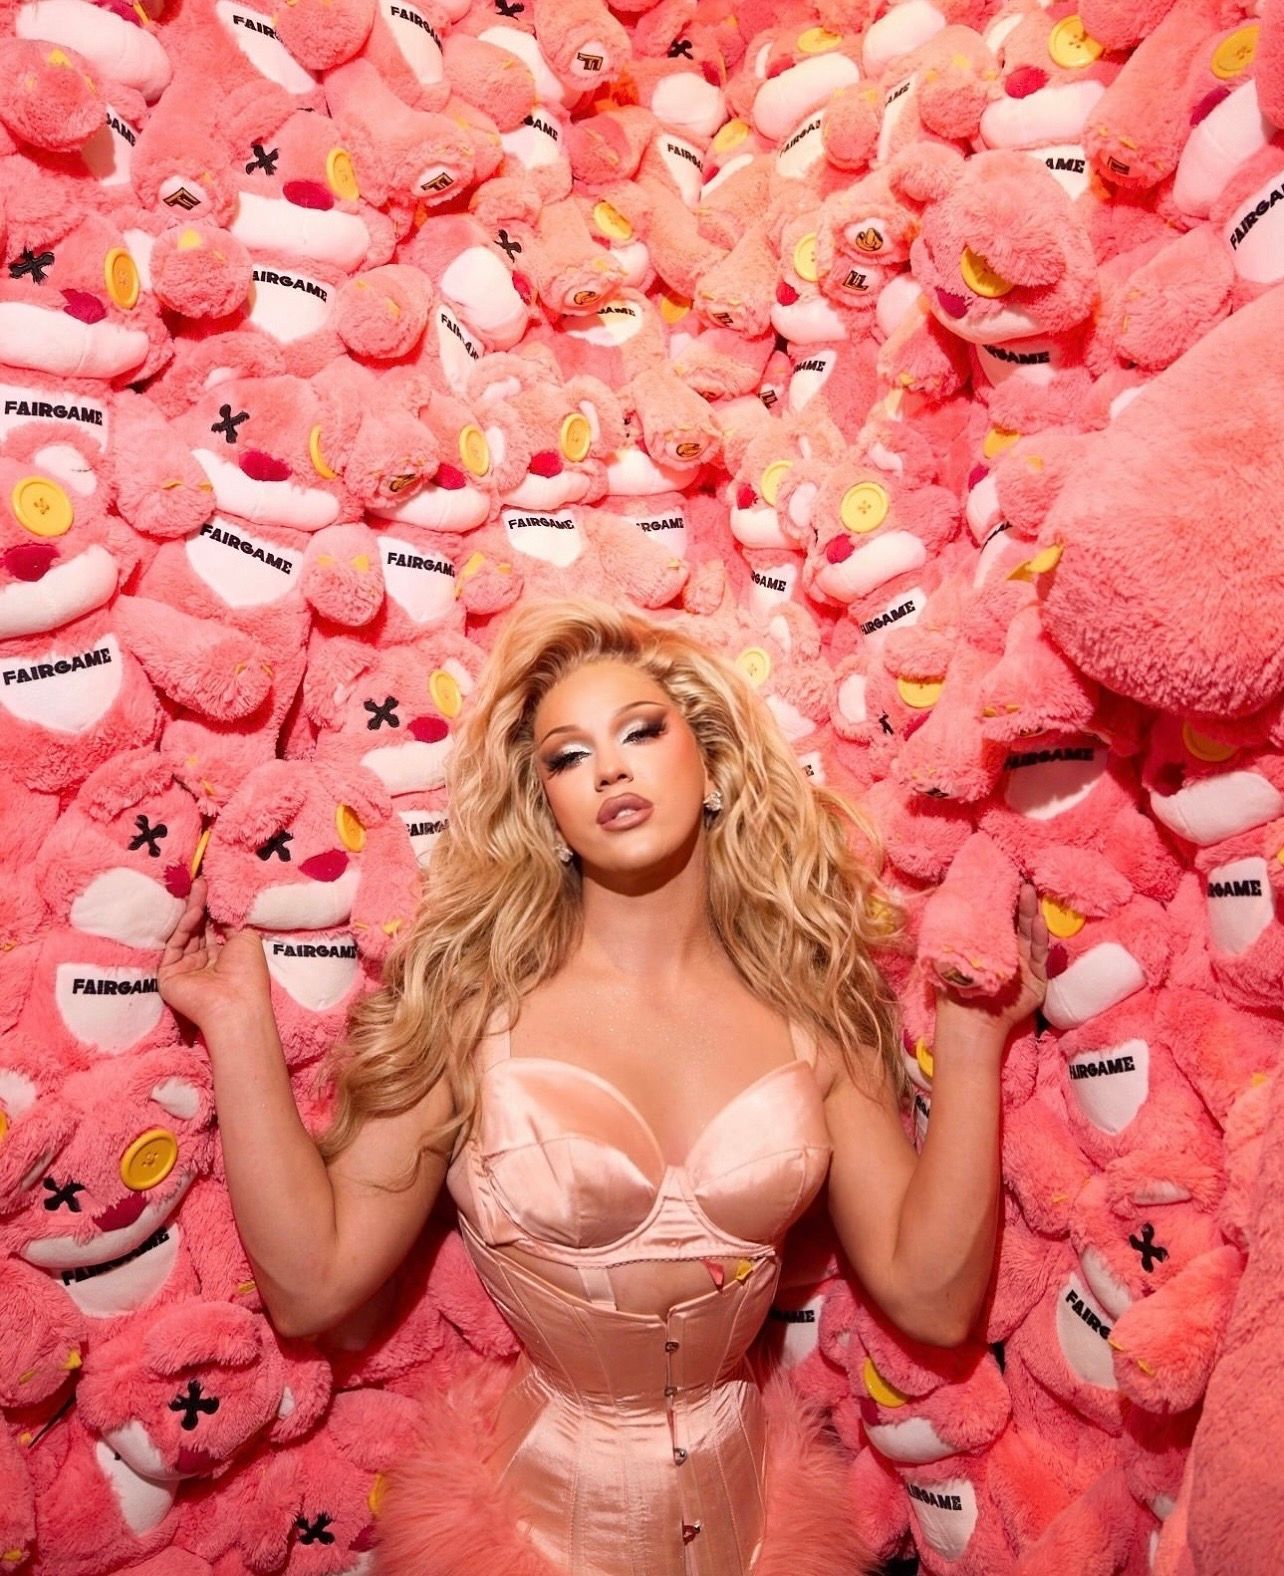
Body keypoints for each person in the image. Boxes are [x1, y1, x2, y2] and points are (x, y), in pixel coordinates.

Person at [159, 597, 1049, 1576]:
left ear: (712, 763)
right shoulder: (469, 1009)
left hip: (763, 1536)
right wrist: (236, 1025)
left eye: (641, 732)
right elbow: (310, 1284)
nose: (609, 770)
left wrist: (973, 1043)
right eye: (568, 756)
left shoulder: (814, 1008)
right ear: (546, 806)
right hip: (529, 1541)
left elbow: (932, 1300)